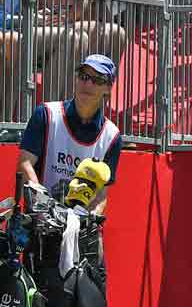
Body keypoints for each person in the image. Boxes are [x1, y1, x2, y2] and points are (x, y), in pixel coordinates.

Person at [16, 54, 124, 218]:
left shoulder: (112, 136)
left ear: (108, 88)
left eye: (97, 80)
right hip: (40, 222)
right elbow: (25, 164)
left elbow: (101, 195)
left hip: (79, 228)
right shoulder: (45, 114)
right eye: (84, 76)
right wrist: (44, 207)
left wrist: (87, 219)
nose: (87, 84)